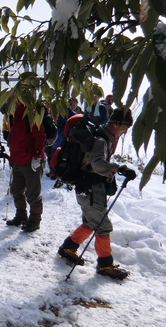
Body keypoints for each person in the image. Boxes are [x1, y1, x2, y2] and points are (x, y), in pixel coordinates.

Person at [57, 108, 137, 280]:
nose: (126, 131)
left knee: (91, 222)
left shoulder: (104, 138)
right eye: (126, 126)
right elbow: (97, 165)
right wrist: (118, 168)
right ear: (117, 124)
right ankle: (105, 265)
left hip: (89, 188)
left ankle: (68, 248)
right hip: (90, 187)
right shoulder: (101, 140)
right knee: (103, 225)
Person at [5, 102, 47, 232]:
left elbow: (40, 135)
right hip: (18, 161)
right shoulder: (14, 117)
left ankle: (34, 220)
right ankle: (21, 216)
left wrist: (37, 155)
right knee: (16, 191)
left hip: (31, 162)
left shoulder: (30, 114)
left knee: (33, 194)